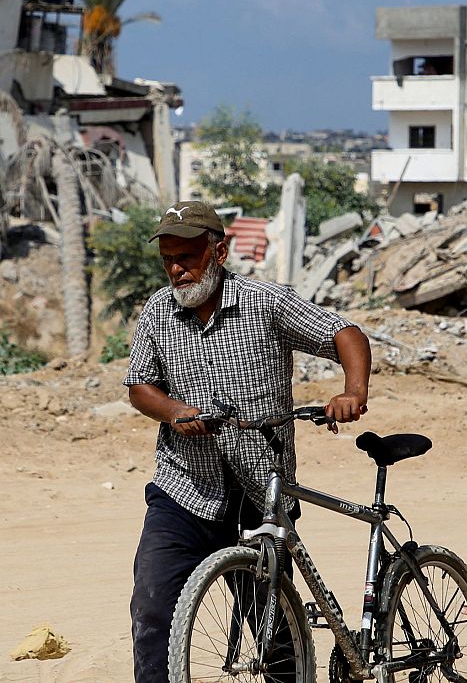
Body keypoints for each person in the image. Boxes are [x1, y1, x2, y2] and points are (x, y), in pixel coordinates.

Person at [124, 200, 371, 683]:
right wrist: (174, 411)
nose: (176, 270)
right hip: (185, 490)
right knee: (152, 607)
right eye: (168, 259)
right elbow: (139, 386)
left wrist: (353, 391)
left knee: (274, 630)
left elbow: (344, 332)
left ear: (219, 253)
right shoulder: (158, 312)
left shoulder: (265, 302)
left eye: (187, 258)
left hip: (263, 495)